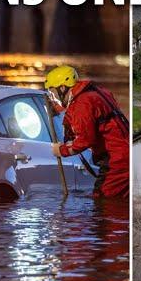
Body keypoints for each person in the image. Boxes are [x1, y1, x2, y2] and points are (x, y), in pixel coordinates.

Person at [45, 65, 129, 199]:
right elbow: (84, 120)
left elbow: (86, 139)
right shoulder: (96, 92)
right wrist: (57, 109)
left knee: (103, 200)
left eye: (53, 93)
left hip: (116, 161)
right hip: (123, 154)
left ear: (62, 88)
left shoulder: (82, 103)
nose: (53, 97)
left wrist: (61, 150)